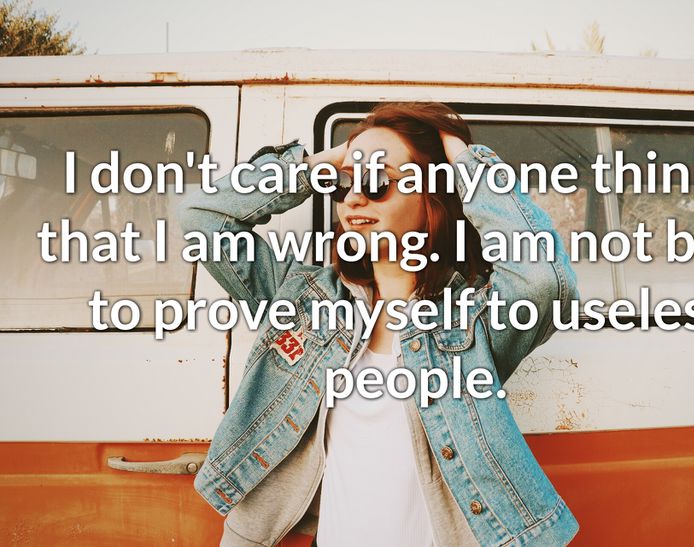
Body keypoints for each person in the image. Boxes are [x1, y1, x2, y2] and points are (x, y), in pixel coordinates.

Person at [178, 102, 580, 546]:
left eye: (375, 180)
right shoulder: (304, 298)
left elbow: (543, 279)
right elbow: (202, 218)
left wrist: (465, 160)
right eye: (344, 183)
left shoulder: (473, 318)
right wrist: (314, 165)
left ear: (432, 197)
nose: (353, 198)